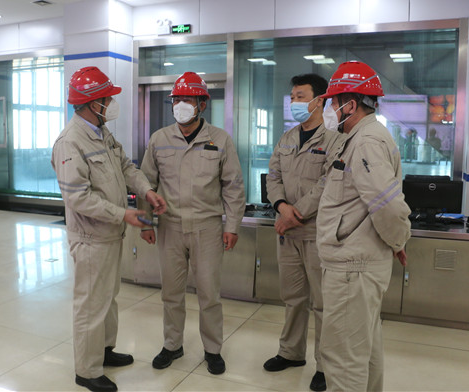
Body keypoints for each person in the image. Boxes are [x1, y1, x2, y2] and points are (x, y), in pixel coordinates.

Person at [51, 66, 167, 392]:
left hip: (109, 234)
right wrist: (123, 214)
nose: (112, 104)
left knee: (107, 297)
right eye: (107, 99)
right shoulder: (70, 142)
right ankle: (87, 370)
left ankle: (103, 350)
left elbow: (126, 167)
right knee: (91, 303)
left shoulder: (102, 133)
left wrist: (146, 190)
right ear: (93, 103)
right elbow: (78, 197)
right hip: (91, 238)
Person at [139, 71, 246, 375]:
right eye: (177, 99)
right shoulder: (159, 139)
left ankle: (212, 349)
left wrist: (232, 226)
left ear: (202, 104)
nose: (181, 105)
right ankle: (172, 344)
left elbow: (233, 186)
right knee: (171, 293)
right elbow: (146, 183)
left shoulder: (220, 140)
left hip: (207, 228)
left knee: (209, 294)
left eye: (188, 99)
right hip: (170, 227)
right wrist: (146, 222)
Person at [315, 61, 411, 391]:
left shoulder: (366, 141)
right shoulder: (359, 138)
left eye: (332, 102)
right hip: (357, 264)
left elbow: (389, 206)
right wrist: (395, 242)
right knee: (364, 353)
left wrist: (398, 240)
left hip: (352, 269)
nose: (328, 109)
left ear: (351, 105)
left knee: (343, 359)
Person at [264, 74, 345, 392]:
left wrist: (295, 214)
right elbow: (272, 175)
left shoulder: (334, 139)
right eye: (293, 96)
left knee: (323, 303)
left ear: (319, 100)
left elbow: (328, 184)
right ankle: (291, 352)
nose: (294, 102)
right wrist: (281, 206)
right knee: (293, 298)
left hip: (317, 233)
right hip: (288, 234)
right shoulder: (287, 138)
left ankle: (325, 365)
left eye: (301, 96)